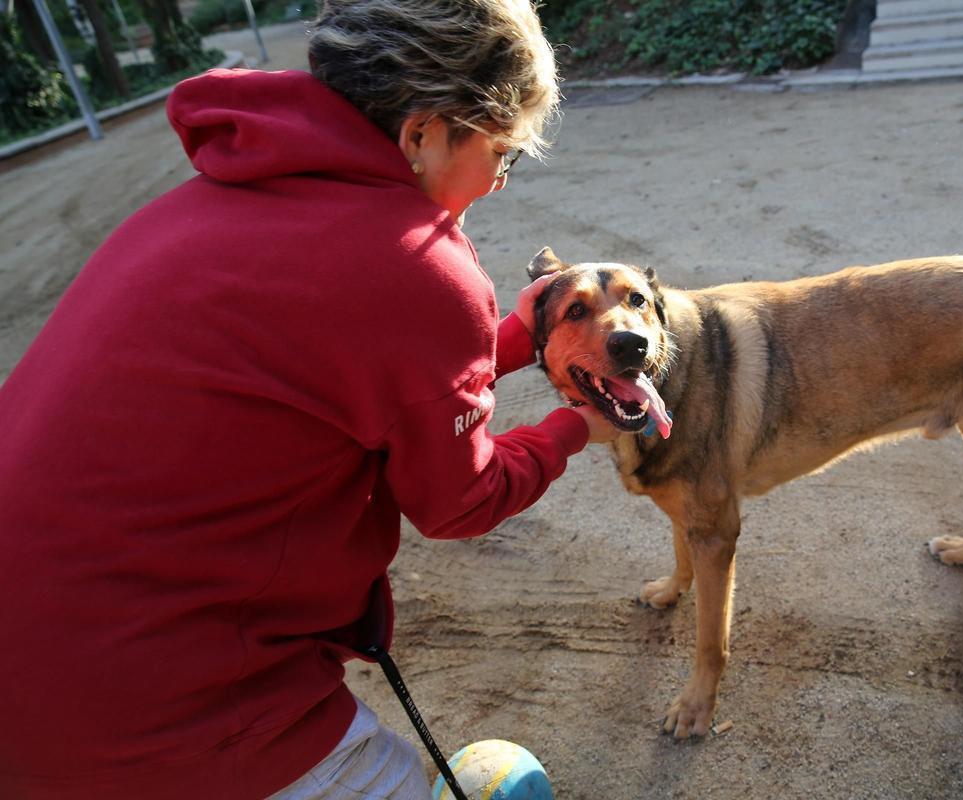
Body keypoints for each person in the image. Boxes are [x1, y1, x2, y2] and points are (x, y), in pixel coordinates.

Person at [0, 1, 618, 797]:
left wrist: (517, 338)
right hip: (148, 697)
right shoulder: (414, 257)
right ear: (425, 131)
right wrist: (574, 428)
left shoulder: (206, 201)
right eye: (501, 154)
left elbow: (358, 380)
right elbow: (458, 501)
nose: (498, 183)